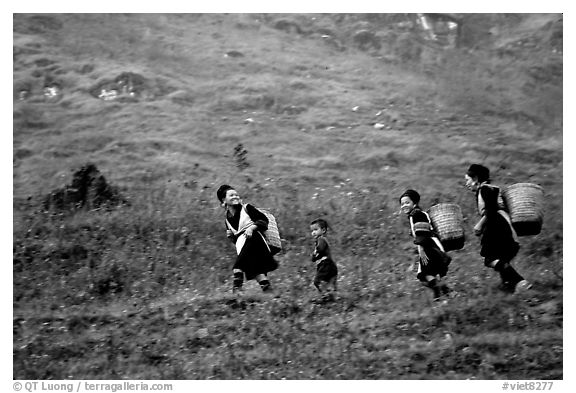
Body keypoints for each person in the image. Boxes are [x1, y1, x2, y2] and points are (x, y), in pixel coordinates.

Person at [464, 164, 531, 293]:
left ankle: (520, 281)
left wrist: (480, 224)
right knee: (501, 259)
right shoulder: (492, 189)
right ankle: (508, 286)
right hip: (502, 226)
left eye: (468, 180)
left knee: (491, 259)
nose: (466, 183)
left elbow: (491, 209)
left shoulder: (484, 189)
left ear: (476, 178)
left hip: (497, 227)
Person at [217, 184, 278, 293]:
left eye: (236, 195)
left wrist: (252, 228)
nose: (235, 197)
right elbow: (236, 240)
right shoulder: (227, 219)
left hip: (255, 241)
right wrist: (231, 237)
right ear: (224, 200)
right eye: (231, 195)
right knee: (258, 272)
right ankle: (270, 293)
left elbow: (263, 221)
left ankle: (237, 290)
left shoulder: (247, 208)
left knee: (238, 267)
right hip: (244, 245)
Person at [399, 189, 452, 301]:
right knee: (428, 274)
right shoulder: (416, 214)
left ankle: (444, 293)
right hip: (431, 245)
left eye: (407, 202)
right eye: (402, 203)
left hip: (430, 246)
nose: (404, 206)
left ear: (415, 203)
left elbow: (422, 234)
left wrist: (421, 251)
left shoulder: (416, 214)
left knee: (425, 274)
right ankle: (442, 294)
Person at [310, 218, 338, 302]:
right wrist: (314, 255)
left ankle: (325, 296)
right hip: (327, 265)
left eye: (316, 229)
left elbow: (320, 249)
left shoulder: (321, 239)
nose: (313, 232)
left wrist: (315, 252)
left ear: (323, 230)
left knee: (317, 281)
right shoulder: (319, 241)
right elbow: (313, 258)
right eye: (312, 230)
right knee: (328, 282)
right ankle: (330, 295)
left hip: (326, 264)